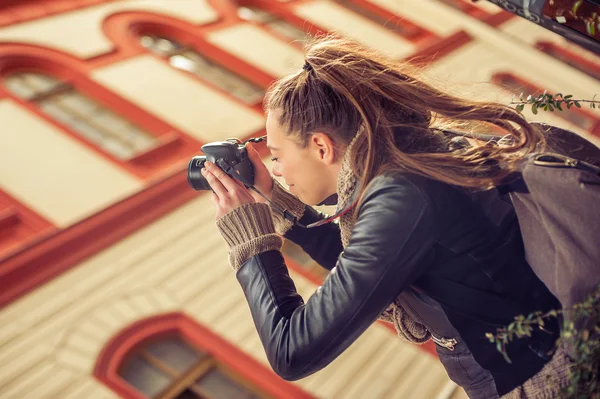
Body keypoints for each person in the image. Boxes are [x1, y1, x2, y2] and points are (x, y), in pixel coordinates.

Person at [200, 36, 573, 398]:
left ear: (320, 146)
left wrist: (251, 244)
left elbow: (291, 352)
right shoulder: (406, 164)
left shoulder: (402, 195)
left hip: (545, 382)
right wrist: (273, 199)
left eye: (277, 156)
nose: (276, 170)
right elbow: (365, 266)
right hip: (537, 366)